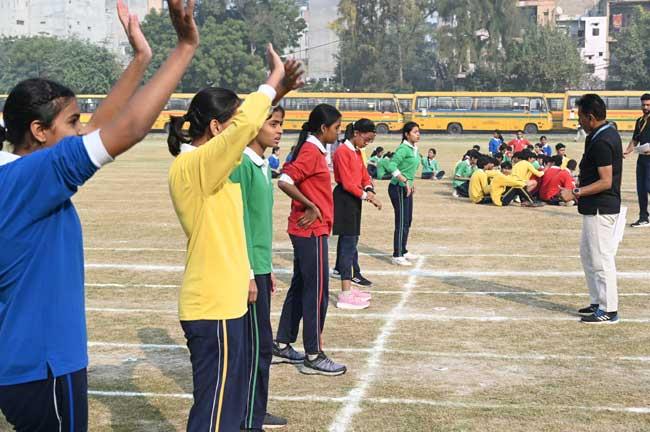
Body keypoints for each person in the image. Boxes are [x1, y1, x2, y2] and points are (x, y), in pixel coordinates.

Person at [0, 1, 198, 430]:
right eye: (71, 122)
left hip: (23, 366)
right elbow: (127, 130)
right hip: (46, 366)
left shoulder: (16, 174)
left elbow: (95, 131)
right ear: (38, 131)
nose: (81, 131)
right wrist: (184, 47)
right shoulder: (29, 179)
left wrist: (140, 59)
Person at [167, 48, 303, 431]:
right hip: (212, 307)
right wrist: (273, 79)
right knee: (214, 414)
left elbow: (231, 231)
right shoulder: (194, 165)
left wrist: (278, 93)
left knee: (228, 409)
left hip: (228, 302)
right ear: (215, 127)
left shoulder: (215, 168)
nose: (242, 134)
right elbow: (245, 127)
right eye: (233, 124)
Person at [228, 106, 290, 431]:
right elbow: (239, 222)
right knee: (257, 347)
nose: (279, 130)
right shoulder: (242, 165)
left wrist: (266, 269)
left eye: (281, 124)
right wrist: (250, 273)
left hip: (260, 268)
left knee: (261, 346)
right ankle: (249, 419)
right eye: (273, 124)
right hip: (247, 270)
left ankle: (255, 410)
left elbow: (260, 224)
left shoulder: (263, 165)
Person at [274, 104, 347, 376]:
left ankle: (282, 343)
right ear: (323, 128)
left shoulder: (314, 149)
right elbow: (285, 180)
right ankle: (313, 354)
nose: (338, 133)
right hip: (310, 230)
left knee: (300, 285)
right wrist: (311, 205)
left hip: (310, 230)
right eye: (336, 128)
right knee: (317, 291)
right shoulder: (310, 151)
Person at [560, 94, 623, 324]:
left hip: (601, 208)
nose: (579, 121)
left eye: (580, 117)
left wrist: (575, 192)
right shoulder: (597, 135)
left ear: (591, 117)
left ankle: (609, 309)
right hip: (593, 207)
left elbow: (606, 181)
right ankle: (597, 301)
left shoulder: (603, 140)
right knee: (588, 255)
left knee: (601, 259)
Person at [332, 119, 382, 310]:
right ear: (357, 133)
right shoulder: (342, 151)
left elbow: (363, 175)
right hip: (345, 199)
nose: (367, 143)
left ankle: (349, 287)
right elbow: (347, 183)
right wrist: (367, 197)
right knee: (347, 245)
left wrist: (369, 189)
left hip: (355, 199)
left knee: (352, 243)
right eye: (366, 139)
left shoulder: (356, 151)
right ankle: (345, 294)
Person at [386, 121, 421, 266]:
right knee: (401, 221)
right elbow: (391, 165)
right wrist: (404, 180)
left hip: (407, 188)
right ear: (407, 134)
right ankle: (397, 255)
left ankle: (403, 249)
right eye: (415, 132)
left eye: (419, 132)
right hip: (398, 188)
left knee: (407, 220)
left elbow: (409, 169)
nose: (418, 134)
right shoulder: (403, 149)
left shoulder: (414, 149)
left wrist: (411, 183)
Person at [624, 93, 650, 227]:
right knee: (641, 189)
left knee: (648, 186)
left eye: (648, 105)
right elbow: (635, 139)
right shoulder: (639, 121)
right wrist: (627, 151)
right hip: (642, 159)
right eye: (643, 105)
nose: (645, 107)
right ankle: (643, 217)